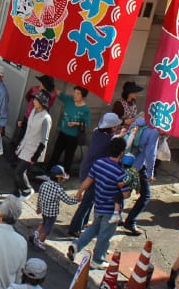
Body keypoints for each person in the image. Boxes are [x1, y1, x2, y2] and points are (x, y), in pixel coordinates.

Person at [68, 137, 129, 267]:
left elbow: (88, 180)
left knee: (93, 228)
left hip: (98, 204)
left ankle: (77, 245)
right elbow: (126, 194)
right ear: (122, 153)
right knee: (104, 235)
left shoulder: (99, 163)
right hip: (111, 210)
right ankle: (98, 259)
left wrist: (79, 192)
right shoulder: (120, 173)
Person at [67, 112, 123, 237]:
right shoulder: (109, 140)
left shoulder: (97, 132)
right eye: (116, 126)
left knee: (90, 200)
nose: (117, 128)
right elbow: (114, 141)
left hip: (86, 169)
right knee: (87, 201)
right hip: (93, 174)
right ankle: (75, 227)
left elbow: (112, 136)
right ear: (112, 128)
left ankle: (82, 223)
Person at [122, 117, 161, 235]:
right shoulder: (154, 131)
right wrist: (151, 172)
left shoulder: (139, 121)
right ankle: (130, 222)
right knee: (146, 195)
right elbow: (150, 153)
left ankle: (116, 216)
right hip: (139, 165)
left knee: (122, 190)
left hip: (128, 160)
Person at [11, 89, 51, 197]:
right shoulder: (33, 111)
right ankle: (16, 192)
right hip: (25, 144)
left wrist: (36, 156)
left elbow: (44, 140)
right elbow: (30, 126)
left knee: (18, 171)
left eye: (36, 100)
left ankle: (27, 189)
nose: (34, 101)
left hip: (33, 149)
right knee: (18, 170)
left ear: (42, 102)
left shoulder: (46, 118)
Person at [31, 165, 77, 248]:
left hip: (44, 210)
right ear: (59, 178)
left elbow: (40, 197)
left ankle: (35, 234)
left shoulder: (44, 184)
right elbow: (68, 201)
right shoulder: (58, 189)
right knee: (47, 228)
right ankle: (40, 242)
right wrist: (77, 199)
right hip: (52, 213)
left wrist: (38, 207)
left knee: (44, 223)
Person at [48, 86, 90, 173]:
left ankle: (65, 174)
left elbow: (87, 124)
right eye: (74, 92)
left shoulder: (85, 109)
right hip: (62, 132)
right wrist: (52, 84)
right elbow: (59, 93)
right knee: (56, 152)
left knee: (68, 156)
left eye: (78, 93)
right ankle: (48, 171)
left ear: (83, 96)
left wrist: (75, 123)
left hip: (73, 137)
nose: (75, 95)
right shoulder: (69, 100)